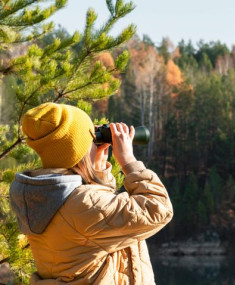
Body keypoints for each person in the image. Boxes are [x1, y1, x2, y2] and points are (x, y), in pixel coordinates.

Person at [9, 102, 173, 284]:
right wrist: (128, 161)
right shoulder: (82, 204)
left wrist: (96, 171)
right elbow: (158, 209)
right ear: (77, 148)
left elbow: (98, 226)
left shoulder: (44, 194)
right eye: (90, 137)